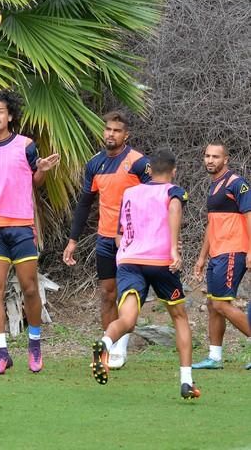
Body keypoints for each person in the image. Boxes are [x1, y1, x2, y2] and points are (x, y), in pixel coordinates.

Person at [91, 149, 200, 399]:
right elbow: (174, 208)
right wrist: (173, 248)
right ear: (173, 171)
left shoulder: (129, 193)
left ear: (149, 170)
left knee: (127, 320)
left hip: (128, 261)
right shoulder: (173, 191)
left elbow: (119, 236)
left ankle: (105, 344)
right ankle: (186, 381)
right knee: (179, 318)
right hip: (160, 262)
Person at [0, 90, 60, 374]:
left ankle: (34, 345)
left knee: (30, 289)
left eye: (1, 111)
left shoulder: (26, 145)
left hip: (20, 227)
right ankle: (1, 352)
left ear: (10, 116)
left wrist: (42, 169)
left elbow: (37, 181)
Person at [63, 111, 150, 369]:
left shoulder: (137, 162)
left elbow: (157, 197)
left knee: (127, 295)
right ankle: (109, 348)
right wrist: (73, 240)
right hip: (105, 239)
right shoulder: (95, 164)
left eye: (116, 130)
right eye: (108, 129)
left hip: (133, 241)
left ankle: (120, 349)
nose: (111, 134)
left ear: (126, 135)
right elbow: (84, 203)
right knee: (107, 293)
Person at [192, 142, 251, 369]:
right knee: (212, 304)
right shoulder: (213, 186)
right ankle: (214, 358)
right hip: (217, 253)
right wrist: (201, 257)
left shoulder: (237, 184)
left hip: (233, 250)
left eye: (215, 156)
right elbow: (211, 224)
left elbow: (248, 216)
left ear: (226, 159)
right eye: (207, 156)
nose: (210, 160)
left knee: (221, 304)